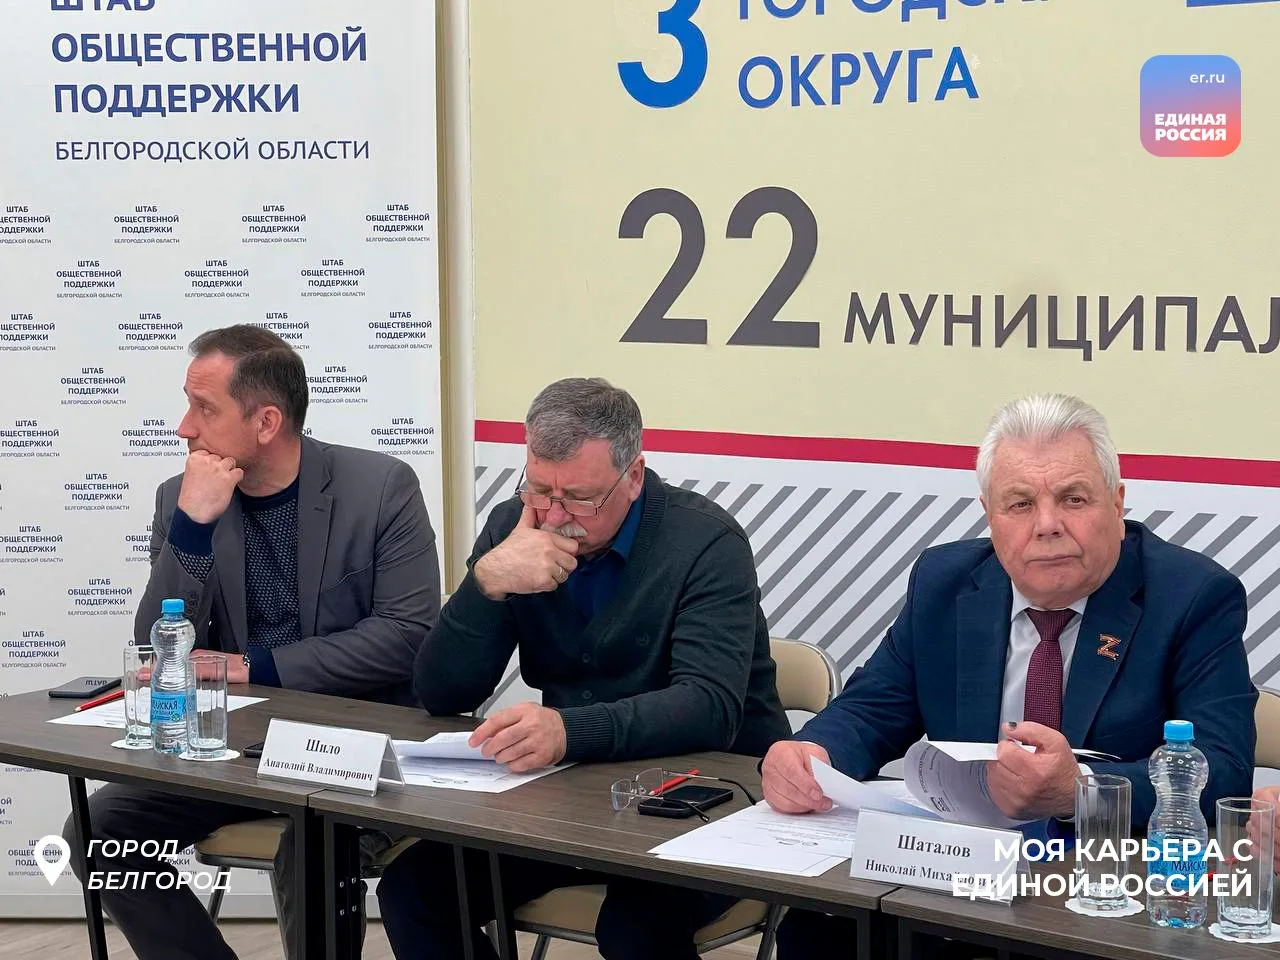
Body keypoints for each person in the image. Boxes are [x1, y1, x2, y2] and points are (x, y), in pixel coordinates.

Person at [763, 393, 1257, 956]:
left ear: (1117, 503)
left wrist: (1079, 791)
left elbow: (1223, 770)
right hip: (960, 879)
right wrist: (812, 756)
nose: (1047, 525)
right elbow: (874, 706)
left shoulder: (1193, 597)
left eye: (1073, 499)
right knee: (819, 931)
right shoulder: (946, 581)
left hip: (1106, 893)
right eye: (1020, 504)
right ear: (989, 514)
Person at [62, 325, 441, 960]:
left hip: (356, 745)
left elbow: (407, 636)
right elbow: (158, 642)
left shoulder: (380, 487)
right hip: (236, 749)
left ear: (266, 421)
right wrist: (193, 526)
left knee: (312, 842)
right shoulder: (182, 498)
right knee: (99, 832)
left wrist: (254, 665)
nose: (184, 427)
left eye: (204, 409)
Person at [376, 377, 789, 960]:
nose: (554, 514)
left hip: (710, 797)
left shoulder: (705, 541)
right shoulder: (515, 528)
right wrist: (486, 583)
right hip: (576, 797)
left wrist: (568, 731)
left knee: (634, 927)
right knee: (414, 889)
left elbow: (709, 707)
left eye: (579, 497)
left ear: (634, 475)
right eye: (539, 488)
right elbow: (442, 693)